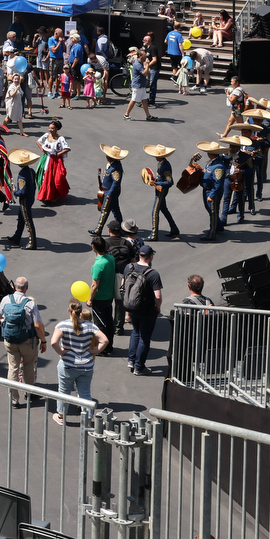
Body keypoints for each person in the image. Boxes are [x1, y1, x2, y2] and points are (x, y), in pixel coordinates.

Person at [46, 301, 108, 424]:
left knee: (64, 391)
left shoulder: (62, 325)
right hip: (86, 365)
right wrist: (95, 351)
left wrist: (61, 352)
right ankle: (88, 419)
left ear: (69, 310)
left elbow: (53, 342)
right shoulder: (90, 326)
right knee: (85, 392)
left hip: (68, 365)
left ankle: (61, 416)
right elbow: (104, 340)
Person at [0, 277, 46, 405]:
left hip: (10, 340)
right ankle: (29, 393)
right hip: (28, 341)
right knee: (29, 367)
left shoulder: (6, 299)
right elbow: (37, 325)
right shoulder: (30, 303)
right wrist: (43, 341)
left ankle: (14, 399)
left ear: (14, 287)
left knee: (13, 368)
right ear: (26, 288)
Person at [121, 243, 165, 374]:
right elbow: (157, 296)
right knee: (144, 338)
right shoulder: (153, 274)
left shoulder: (129, 267)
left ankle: (131, 360)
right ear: (151, 257)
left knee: (135, 332)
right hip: (147, 310)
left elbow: (123, 286)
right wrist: (158, 308)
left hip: (132, 307)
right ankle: (139, 367)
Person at [142, 144, 181, 239]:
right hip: (159, 189)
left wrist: (156, 182)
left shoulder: (166, 166)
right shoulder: (161, 163)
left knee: (155, 211)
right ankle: (174, 229)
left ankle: (154, 234)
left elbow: (169, 182)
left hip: (161, 191)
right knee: (164, 209)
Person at [88, 236, 118, 344]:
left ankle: (102, 347)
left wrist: (90, 299)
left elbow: (94, 285)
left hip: (99, 298)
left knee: (100, 324)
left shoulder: (98, 265)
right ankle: (109, 345)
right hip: (109, 296)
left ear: (93, 247)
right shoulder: (111, 259)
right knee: (109, 321)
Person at [197, 147, 228, 241]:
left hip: (212, 191)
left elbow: (218, 183)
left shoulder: (219, 166)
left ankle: (211, 234)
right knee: (209, 209)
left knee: (213, 212)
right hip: (206, 189)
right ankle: (218, 226)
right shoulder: (211, 162)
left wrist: (212, 195)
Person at [95, 144, 126, 234]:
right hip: (107, 190)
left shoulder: (116, 168)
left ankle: (98, 229)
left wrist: (109, 194)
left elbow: (116, 183)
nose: (106, 156)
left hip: (110, 192)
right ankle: (121, 228)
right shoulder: (111, 165)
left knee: (104, 210)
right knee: (115, 210)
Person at [36, 122, 70, 205]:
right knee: (43, 175)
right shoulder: (46, 135)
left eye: (52, 128)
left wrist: (59, 154)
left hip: (54, 160)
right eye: (49, 128)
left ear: (57, 129)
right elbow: (38, 142)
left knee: (55, 178)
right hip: (46, 158)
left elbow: (67, 148)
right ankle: (45, 194)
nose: (50, 130)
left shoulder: (60, 138)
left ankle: (53, 194)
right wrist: (42, 149)